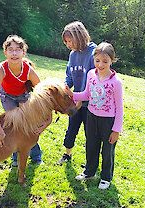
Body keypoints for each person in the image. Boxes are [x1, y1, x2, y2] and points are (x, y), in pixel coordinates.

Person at [0, 35, 49, 167]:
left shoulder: (28, 70)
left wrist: (48, 117)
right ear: (5, 53)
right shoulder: (2, 69)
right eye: (10, 50)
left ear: (24, 53)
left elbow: (43, 93)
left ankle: (36, 156)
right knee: (14, 126)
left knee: (28, 125)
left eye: (18, 50)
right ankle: (16, 158)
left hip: (23, 96)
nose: (14, 53)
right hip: (7, 96)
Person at [71, 42, 123, 190]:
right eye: (97, 61)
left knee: (107, 150)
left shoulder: (116, 82)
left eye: (105, 61)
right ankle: (89, 172)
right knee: (91, 146)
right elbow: (86, 95)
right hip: (91, 116)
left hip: (108, 121)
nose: (100, 65)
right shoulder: (91, 75)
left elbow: (119, 107)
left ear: (112, 61)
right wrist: (71, 94)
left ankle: (106, 177)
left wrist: (116, 130)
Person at [57, 21, 97, 165]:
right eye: (66, 41)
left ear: (79, 36)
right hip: (76, 100)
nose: (68, 44)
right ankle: (67, 154)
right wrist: (65, 87)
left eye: (69, 40)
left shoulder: (94, 53)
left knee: (90, 134)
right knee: (71, 129)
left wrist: (82, 100)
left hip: (91, 103)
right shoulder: (73, 54)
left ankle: (90, 162)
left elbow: (95, 81)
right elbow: (70, 75)